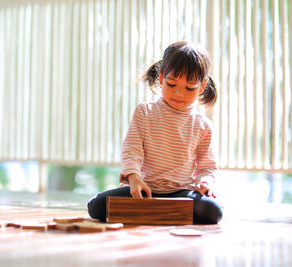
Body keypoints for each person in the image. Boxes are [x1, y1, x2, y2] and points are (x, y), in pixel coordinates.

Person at [87, 41, 223, 224]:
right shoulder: (144, 112)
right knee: (95, 206)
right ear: (161, 78)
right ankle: (163, 212)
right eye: (172, 84)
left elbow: (207, 166)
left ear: (202, 86)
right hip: (143, 190)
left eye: (189, 88)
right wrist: (134, 178)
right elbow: (132, 149)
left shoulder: (203, 125)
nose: (179, 93)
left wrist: (205, 182)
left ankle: (152, 212)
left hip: (181, 193)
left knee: (213, 211)